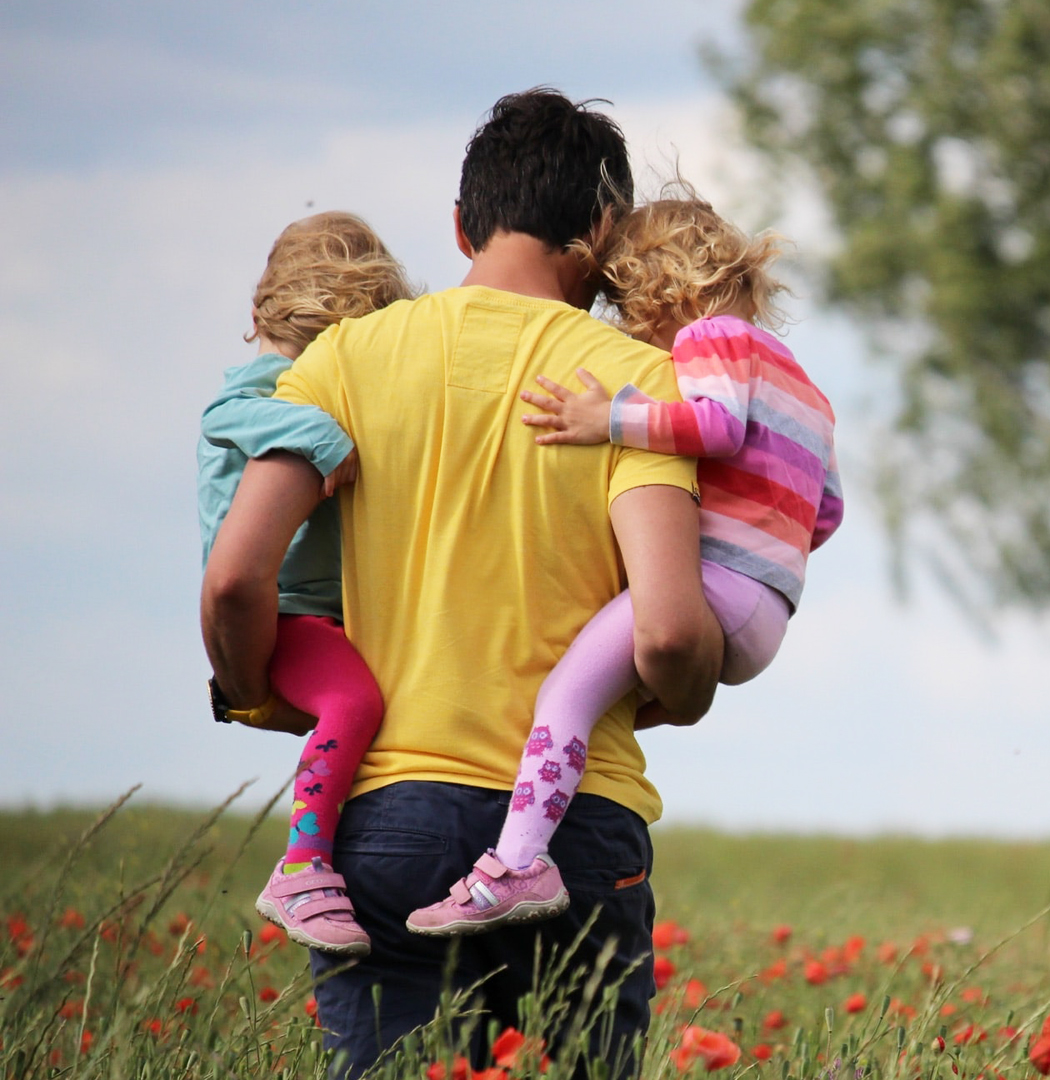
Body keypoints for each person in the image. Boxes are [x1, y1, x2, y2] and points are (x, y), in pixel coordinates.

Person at [201, 88, 722, 1076]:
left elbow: (235, 580)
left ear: (459, 224)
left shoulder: (345, 360)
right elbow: (669, 635)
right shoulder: (635, 385)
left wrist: (256, 688)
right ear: (604, 231)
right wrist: (679, 699)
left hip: (389, 818)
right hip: (575, 829)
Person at [407, 194, 843, 935]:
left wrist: (605, 418)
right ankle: (541, 828)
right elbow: (826, 512)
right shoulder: (806, 386)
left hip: (716, 587)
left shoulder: (711, 339)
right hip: (770, 608)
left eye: (627, 307)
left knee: (564, 697)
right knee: (605, 698)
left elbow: (715, 425)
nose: (633, 331)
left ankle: (518, 863)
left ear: (660, 289)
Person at [198, 211, 416, 956]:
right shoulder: (263, 388)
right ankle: (303, 864)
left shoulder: (300, 377)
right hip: (287, 612)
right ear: (261, 321)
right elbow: (227, 414)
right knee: (355, 701)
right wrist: (322, 435)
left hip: (323, 613)